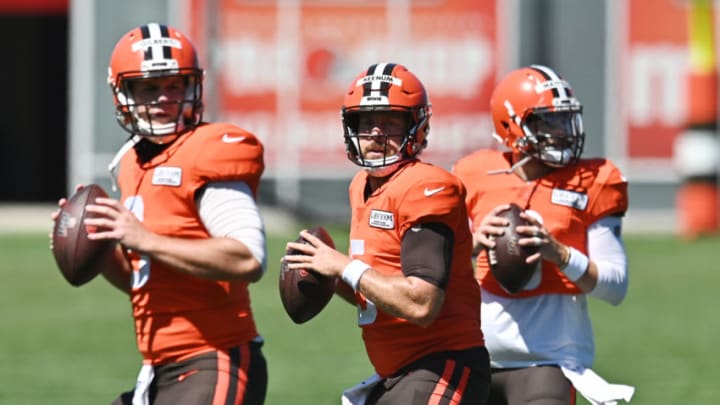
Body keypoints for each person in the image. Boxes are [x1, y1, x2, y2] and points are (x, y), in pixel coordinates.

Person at [52, 23, 268, 405]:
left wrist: (144, 239)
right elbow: (144, 283)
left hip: (214, 360)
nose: (165, 98)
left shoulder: (210, 151)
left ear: (193, 87)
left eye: (175, 85)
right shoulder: (133, 163)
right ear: (124, 94)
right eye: (150, 88)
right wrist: (98, 247)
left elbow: (248, 258)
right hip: (160, 369)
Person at [283, 62, 490, 404]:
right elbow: (377, 291)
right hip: (397, 374)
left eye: (391, 121)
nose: (377, 133)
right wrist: (327, 278)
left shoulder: (427, 185)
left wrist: (343, 268)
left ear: (417, 125)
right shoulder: (361, 185)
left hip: (442, 365)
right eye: (367, 122)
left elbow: (421, 303)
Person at [452, 64, 635, 405]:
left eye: (565, 120)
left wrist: (560, 254)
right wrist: (473, 244)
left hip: (548, 361)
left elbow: (616, 287)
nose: (562, 132)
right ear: (511, 126)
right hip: (472, 358)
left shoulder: (594, 180)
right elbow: (437, 275)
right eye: (547, 121)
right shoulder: (473, 174)